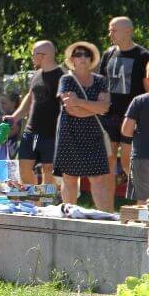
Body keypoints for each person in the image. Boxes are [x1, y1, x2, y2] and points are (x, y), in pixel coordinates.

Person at [54, 42, 112, 211]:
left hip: (93, 133)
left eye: (87, 54)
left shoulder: (101, 80)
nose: (83, 58)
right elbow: (70, 110)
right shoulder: (66, 79)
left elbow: (105, 108)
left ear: (91, 58)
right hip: (69, 133)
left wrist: (79, 102)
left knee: (98, 178)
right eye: (78, 54)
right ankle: (70, 216)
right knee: (70, 177)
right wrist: (94, 106)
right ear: (72, 59)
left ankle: (104, 218)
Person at [99, 17, 149, 188]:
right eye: (109, 29)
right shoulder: (108, 54)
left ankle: (142, 205)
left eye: (114, 30)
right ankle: (106, 211)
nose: (110, 33)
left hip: (134, 118)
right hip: (109, 117)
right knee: (107, 165)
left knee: (130, 164)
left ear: (128, 31)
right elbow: (102, 85)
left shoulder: (143, 56)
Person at [10, 41, 63, 185]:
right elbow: (30, 96)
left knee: (48, 169)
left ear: (42, 55)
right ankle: (33, 201)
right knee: (24, 167)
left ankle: (47, 204)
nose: (32, 57)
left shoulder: (62, 77)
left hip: (52, 134)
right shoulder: (37, 74)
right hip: (31, 132)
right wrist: (15, 117)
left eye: (33, 54)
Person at [122, 89, 149, 205]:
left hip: (142, 156)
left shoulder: (139, 100)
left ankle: (145, 221)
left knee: (142, 199)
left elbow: (126, 130)